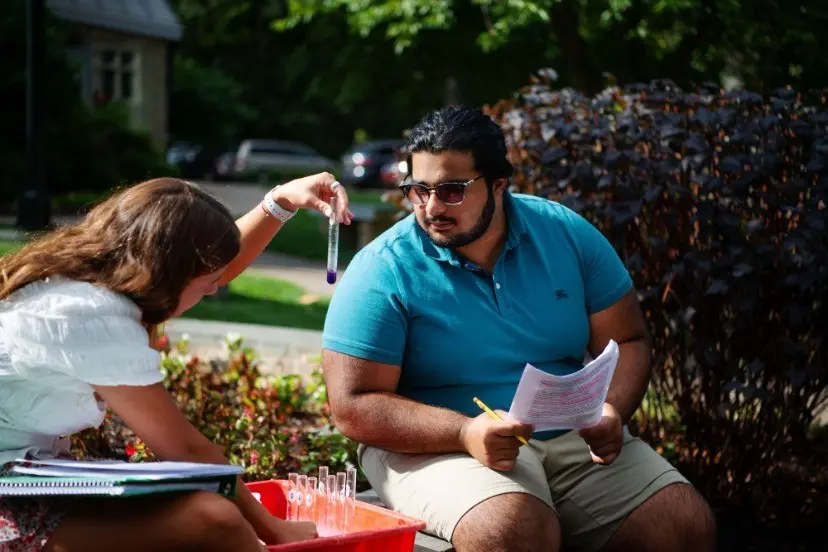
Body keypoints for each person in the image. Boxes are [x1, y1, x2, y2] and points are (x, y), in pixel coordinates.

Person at [321, 106, 717, 552]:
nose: (431, 208)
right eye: (419, 189)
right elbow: (352, 405)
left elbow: (628, 339)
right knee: (513, 529)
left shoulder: (565, 233)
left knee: (683, 523)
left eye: (451, 190)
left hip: (572, 437)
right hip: (436, 446)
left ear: (498, 185)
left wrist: (613, 410)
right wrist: (465, 432)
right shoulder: (382, 268)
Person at [0, 173, 353, 552]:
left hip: (27, 476)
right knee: (215, 521)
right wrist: (276, 529)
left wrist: (279, 203)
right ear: (171, 273)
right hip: (13, 496)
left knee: (209, 511)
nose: (216, 287)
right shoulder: (90, 315)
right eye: (210, 282)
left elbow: (211, 267)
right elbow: (186, 450)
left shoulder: (91, 279)